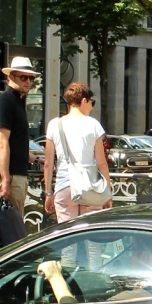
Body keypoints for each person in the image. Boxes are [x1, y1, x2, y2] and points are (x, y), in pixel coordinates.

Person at [43, 82, 111, 223]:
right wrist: (107, 193)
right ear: (84, 101)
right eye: (92, 103)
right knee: (90, 236)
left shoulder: (54, 124)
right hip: (90, 187)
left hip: (64, 186)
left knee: (67, 237)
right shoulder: (93, 125)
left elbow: (48, 164)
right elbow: (102, 164)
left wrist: (48, 193)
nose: (92, 107)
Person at [0, 56, 36, 213]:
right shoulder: (5, 101)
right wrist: (6, 179)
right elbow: (1, 143)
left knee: (8, 226)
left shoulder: (16, 101)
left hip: (14, 173)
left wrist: (36, 159)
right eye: (23, 77)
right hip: (10, 175)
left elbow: (15, 142)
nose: (27, 81)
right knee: (11, 228)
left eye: (30, 78)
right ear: (11, 77)